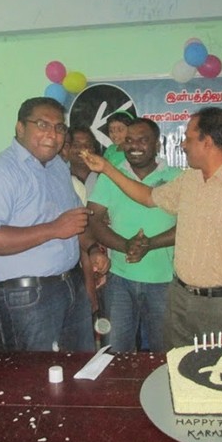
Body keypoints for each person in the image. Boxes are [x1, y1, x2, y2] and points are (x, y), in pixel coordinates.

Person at [82, 107, 222, 349]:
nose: (183, 145)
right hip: (180, 299)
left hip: (221, 305)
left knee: (216, 368)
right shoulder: (190, 179)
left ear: (207, 142)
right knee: (175, 363)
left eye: (188, 138)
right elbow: (149, 197)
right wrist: (107, 168)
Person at [0, 97, 109, 352]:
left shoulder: (57, 167)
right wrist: (53, 229)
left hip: (69, 285)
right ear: (20, 127)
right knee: (35, 374)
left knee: (80, 368)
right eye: (42, 125)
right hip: (27, 296)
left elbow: (75, 222)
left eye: (59, 127)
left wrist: (91, 250)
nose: (52, 134)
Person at [88, 117, 182, 352]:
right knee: (115, 352)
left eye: (143, 140)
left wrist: (150, 244)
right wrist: (125, 245)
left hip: (165, 281)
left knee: (165, 353)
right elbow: (94, 219)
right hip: (119, 280)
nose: (134, 146)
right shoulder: (110, 176)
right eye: (129, 140)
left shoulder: (176, 177)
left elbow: (189, 225)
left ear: (157, 144)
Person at [68, 125, 101, 203]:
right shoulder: (60, 177)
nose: (83, 149)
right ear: (67, 148)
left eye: (88, 145)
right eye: (76, 145)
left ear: (93, 149)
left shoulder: (103, 177)